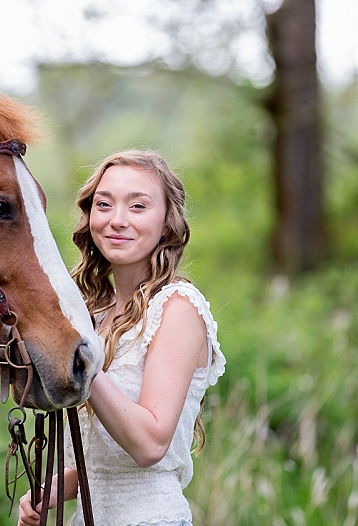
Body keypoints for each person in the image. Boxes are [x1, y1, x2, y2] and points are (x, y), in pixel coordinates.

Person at [18, 150, 225, 526]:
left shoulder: (177, 308)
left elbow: (149, 446)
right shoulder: (92, 315)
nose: (117, 220)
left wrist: (81, 362)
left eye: (138, 206)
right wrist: (52, 490)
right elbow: (105, 464)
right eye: (104, 204)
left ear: (167, 222)